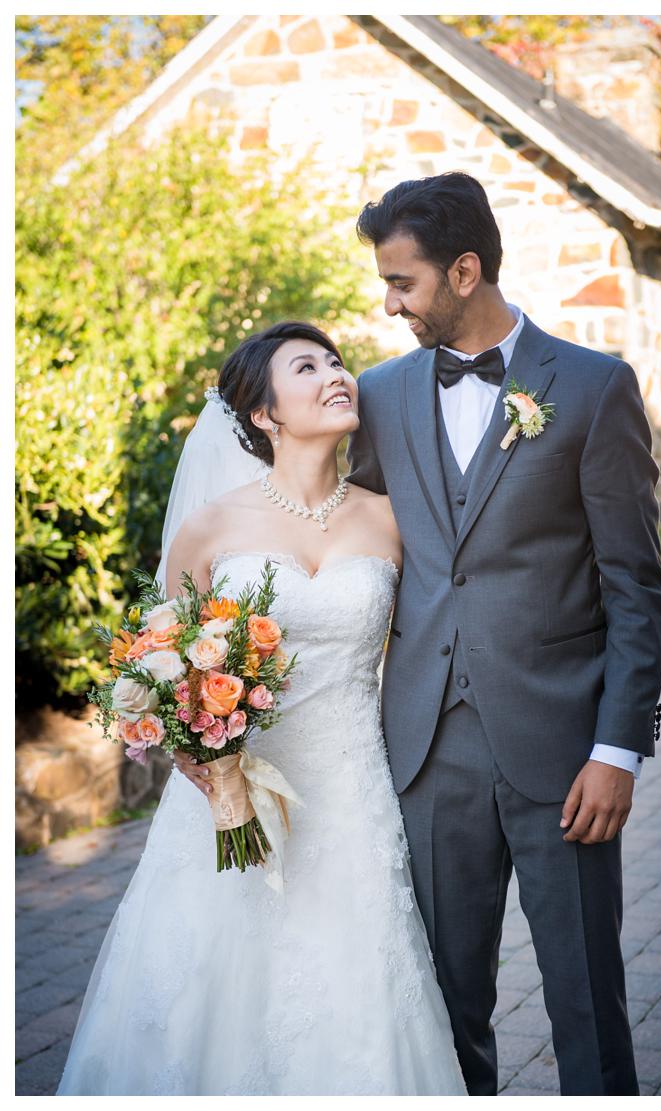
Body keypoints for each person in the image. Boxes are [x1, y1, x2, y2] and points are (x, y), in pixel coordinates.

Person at [60, 324, 466, 1094]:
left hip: (351, 795)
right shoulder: (213, 526)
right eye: (306, 366)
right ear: (263, 413)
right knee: (212, 986)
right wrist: (198, 750)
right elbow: (158, 662)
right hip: (232, 794)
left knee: (355, 990)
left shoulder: (389, 518)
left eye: (337, 361)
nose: (336, 375)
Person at [348, 173, 661, 1095]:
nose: (389, 301)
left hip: (565, 753)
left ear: (464, 270)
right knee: (443, 1004)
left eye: (402, 282)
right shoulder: (378, 395)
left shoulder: (596, 388)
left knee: (585, 998)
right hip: (425, 747)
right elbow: (351, 544)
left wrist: (618, 749)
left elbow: (636, 588)